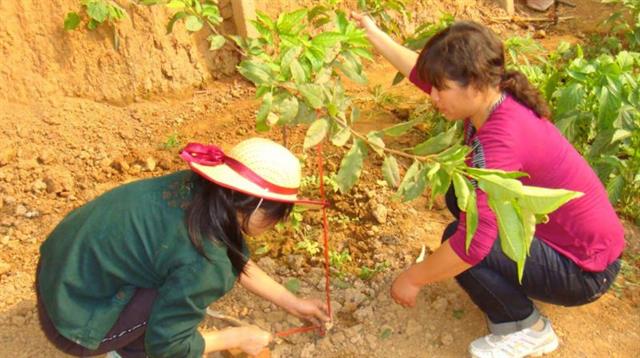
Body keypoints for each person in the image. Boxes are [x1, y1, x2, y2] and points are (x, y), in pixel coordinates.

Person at [353, 14, 625, 358]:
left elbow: (474, 246)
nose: (433, 96)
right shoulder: (494, 95)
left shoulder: (502, 139)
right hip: (574, 244)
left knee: (461, 237)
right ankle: (527, 278)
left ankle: (528, 327)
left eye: (441, 88)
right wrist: (375, 34)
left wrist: (413, 278)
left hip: (585, 270)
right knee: (460, 196)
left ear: (476, 84)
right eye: (433, 85)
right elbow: (421, 75)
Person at [36, 138, 330, 358]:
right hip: (71, 323)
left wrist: (294, 304)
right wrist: (237, 337)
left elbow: (232, 258)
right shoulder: (206, 261)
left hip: (59, 276)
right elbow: (169, 345)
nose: (275, 226)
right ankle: (125, 348)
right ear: (259, 209)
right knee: (166, 336)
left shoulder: (203, 193)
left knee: (175, 279)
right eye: (278, 217)